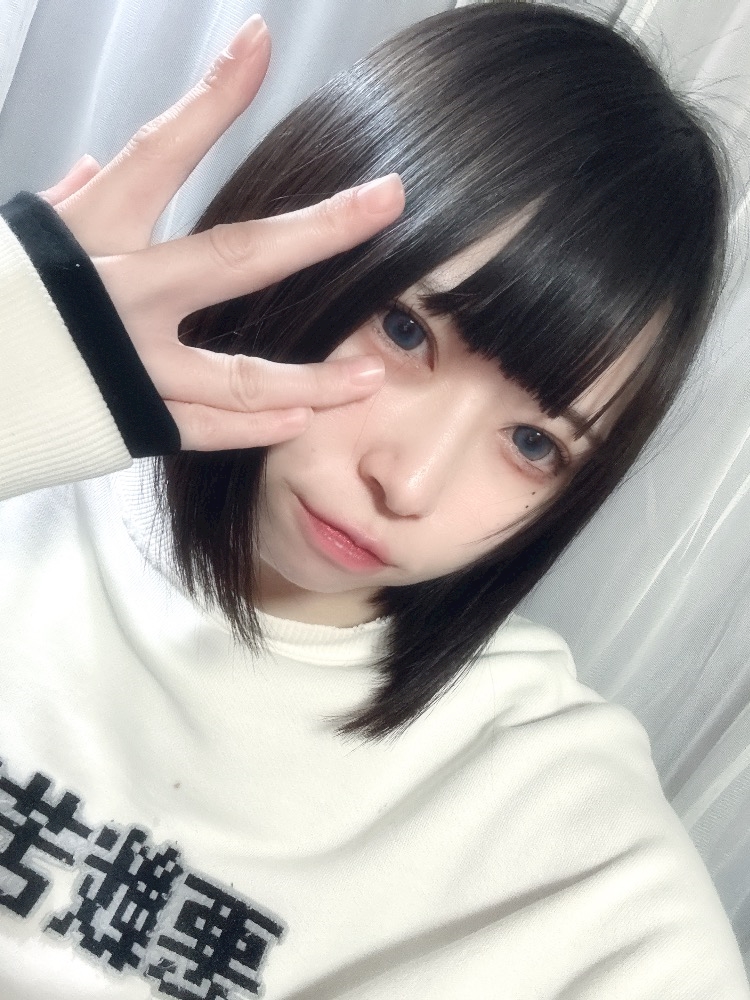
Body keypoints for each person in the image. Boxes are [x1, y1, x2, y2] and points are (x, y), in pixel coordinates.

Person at [0, 4, 748, 999]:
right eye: (405, 331)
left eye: (535, 444)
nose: (409, 484)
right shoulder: (26, 479)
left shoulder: (547, 816)